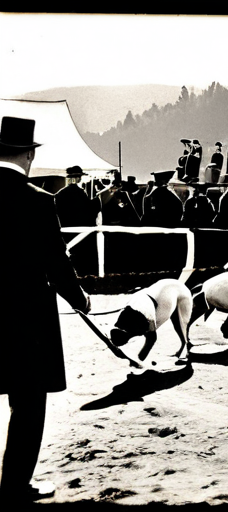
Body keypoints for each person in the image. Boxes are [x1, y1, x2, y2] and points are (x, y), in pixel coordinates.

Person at [0, 116, 91, 503]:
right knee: (28, 401)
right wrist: (80, 299)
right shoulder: (38, 201)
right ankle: (14, 486)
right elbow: (56, 263)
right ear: (28, 155)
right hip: (26, 320)